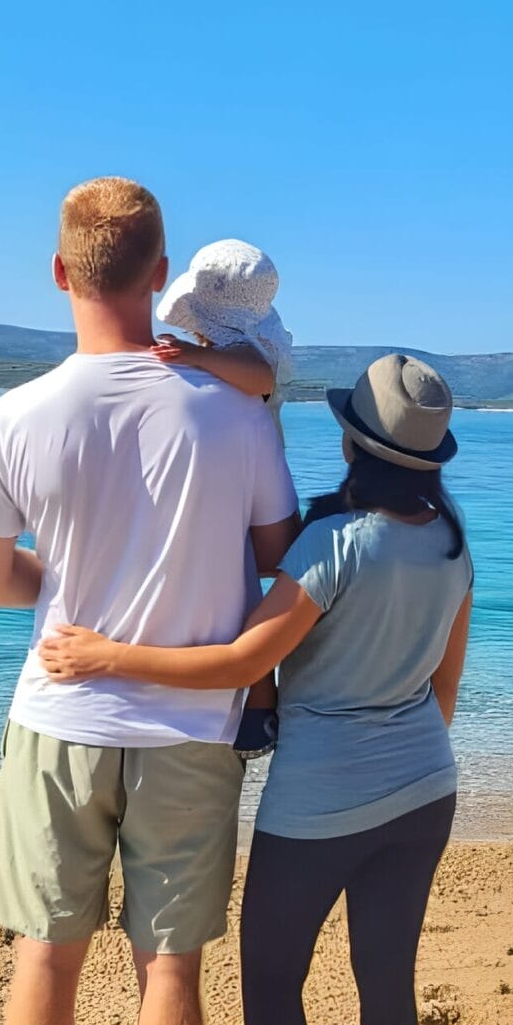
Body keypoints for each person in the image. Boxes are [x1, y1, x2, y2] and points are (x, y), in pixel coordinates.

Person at [40, 353, 474, 1025]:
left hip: (320, 800)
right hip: (426, 788)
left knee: (272, 981)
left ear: (353, 441)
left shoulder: (333, 544)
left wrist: (109, 654)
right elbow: (443, 692)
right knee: (385, 981)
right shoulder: (451, 541)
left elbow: (243, 663)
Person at [0, 177, 299, 1025]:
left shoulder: (18, 413)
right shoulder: (236, 414)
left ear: (60, 273)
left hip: (59, 716)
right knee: (169, 971)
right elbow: (278, 561)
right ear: (162, 276)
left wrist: (69, 581)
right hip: (192, 728)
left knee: (44, 961)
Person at [151, 239, 295, 755]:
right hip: (252, 471)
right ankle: (259, 709)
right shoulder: (236, 352)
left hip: (252, 473)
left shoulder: (249, 358)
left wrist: (191, 356)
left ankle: (259, 709)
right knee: (240, 589)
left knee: (241, 594)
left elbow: (260, 378)